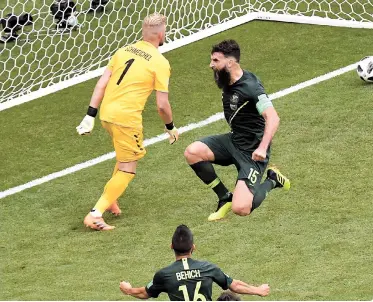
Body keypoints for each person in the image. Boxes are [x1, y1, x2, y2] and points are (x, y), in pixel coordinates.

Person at [76, 12, 179, 231]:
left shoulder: (123, 51)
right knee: (128, 167)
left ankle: (111, 198)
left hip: (106, 114)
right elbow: (162, 105)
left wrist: (89, 115)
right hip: (126, 119)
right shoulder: (160, 62)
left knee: (123, 157)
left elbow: (102, 83)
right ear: (161, 34)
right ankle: (95, 214)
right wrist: (170, 127)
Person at [184, 39, 290, 221]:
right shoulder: (227, 79)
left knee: (241, 208)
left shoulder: (251, 87)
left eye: (216, 61)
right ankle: (224, 197)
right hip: (234, 141)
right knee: (192, 152)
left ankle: (273, 179)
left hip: (252, 152)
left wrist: (262, 148)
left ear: (230, 62)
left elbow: (273, 118)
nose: (211, 65)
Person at [119, 225, 270, 301]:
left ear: (171, 247)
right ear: (193, 247)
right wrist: (258, 290)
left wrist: (128, 289)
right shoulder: (208, 268)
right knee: (228, 298)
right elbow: (235, 285)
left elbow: (144, 293)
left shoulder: (164, 275)